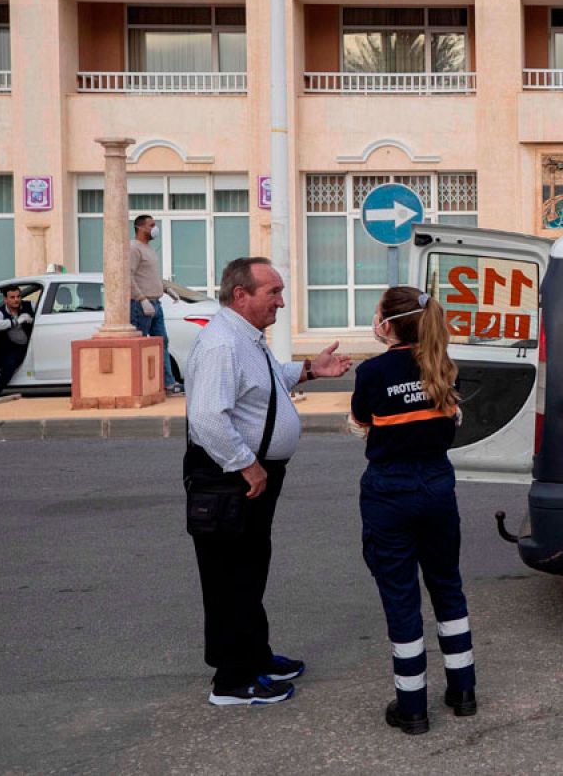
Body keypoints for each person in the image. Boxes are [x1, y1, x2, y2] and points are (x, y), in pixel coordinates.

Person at [183, 256, 351, 706]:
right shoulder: (222, 343)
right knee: (229, 576)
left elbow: (266, 382)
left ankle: (253, 655)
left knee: (250, 569)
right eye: (272, 292)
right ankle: (233, 681)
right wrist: (246, 464)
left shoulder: (245, 339)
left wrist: (311, 370)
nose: (280, 301)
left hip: (250, 475)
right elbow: (206, 418)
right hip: (230, 477)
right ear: (241, 295)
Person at [347, 286, 477, 736]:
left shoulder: (372, 372)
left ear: (388, 324)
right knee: (447, 587)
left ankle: (412, 708)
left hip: (390, 492)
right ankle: (463, 693)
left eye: (378, 313)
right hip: (438, 486)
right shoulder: (444, 366)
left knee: (402, 598)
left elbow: (362, 424)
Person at [130, 214, 182, 395]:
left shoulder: (149, 249)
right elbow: (128, 277)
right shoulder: (133, 248)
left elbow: (149, 275)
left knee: (162, 343)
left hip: (155, 303)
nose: (155, 228)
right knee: (141, 344)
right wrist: (141, 299)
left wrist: (166, 288)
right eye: (151, 225)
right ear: (140, 227)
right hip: (141, 306)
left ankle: (168, 383)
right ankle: (141, 385)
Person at [0, 286, 34, 398]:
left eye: (18, 296)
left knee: (10, 364)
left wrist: (31, 319)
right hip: (7, 346)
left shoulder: (29, 305)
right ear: (5, 300)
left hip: (25, 346)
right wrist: (15, 322)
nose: (16, 300)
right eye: (12, 297)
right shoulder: (0, 311)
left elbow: (43, 315)